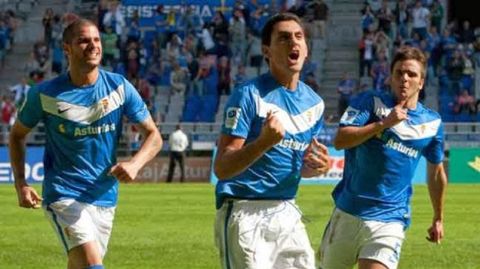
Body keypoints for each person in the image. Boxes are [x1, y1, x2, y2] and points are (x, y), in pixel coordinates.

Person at [8, 19, 163, 269]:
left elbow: (154, 136)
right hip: (63, 193)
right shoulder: (44, 94)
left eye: (96, 40)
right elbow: (16, 135)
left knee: (80, 265)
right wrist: (21, 184)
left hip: (104, 195)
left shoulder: (119, 87)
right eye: (83, 40)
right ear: (66, 48)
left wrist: (135, 164)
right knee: (93, 264)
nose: (93, 45)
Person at [213, 13, 330, 269]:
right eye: (284, 38)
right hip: (245, 211)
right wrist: (263, 142)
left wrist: (315, 168)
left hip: (287, 209)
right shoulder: (248, 95)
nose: (294, 43)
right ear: (267, 51)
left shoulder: (315, 104)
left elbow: (296, 163)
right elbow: (222, 167)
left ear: (307, 49)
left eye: (299, 37)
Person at [318, 46, 447, 269]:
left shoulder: (432, 124)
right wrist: (383, 124)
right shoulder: (369, 102)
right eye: (399, 73)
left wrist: (438, 217)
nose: (404, 79)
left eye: (411, 74)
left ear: (422, 82)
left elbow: (436, 173)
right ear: (390, 77)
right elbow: (340, 140)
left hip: (390, 220)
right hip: (348, 211)